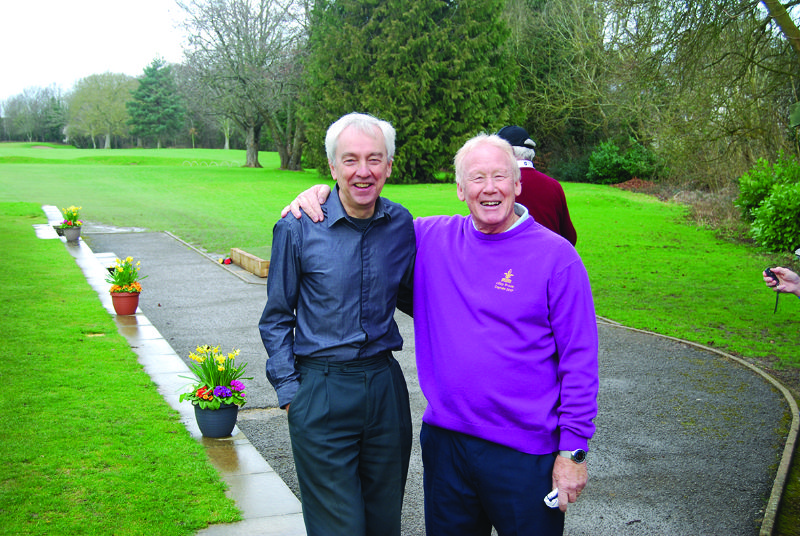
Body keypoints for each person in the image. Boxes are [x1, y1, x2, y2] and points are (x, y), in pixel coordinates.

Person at [286, 133, 599, 535]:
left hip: (525, 454)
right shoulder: (428, 238)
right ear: (459, 189)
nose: (489, 188)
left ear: (518, 183)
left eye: (499, 177)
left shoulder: (557, 258)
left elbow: (580, 361)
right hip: (447, 446)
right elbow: (362, 213)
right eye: (477, 177)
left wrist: (573, 452)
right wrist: (317, 195)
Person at [259, 112, 415, 536]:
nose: (362, 171)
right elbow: (276, 318)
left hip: (384, 389)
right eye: (349, 160)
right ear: (332, 167)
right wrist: (292, 392)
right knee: (339, 528)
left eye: (373, 159)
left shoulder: (402, 225)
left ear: (389, 165)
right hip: (321, 390)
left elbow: (417, 297)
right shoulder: (298, 227)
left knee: (384, 524)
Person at [496, 125, 578, 245]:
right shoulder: (554, 186)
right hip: (551, 258)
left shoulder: (499, 186)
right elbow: (570, 237)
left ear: (510, 152)